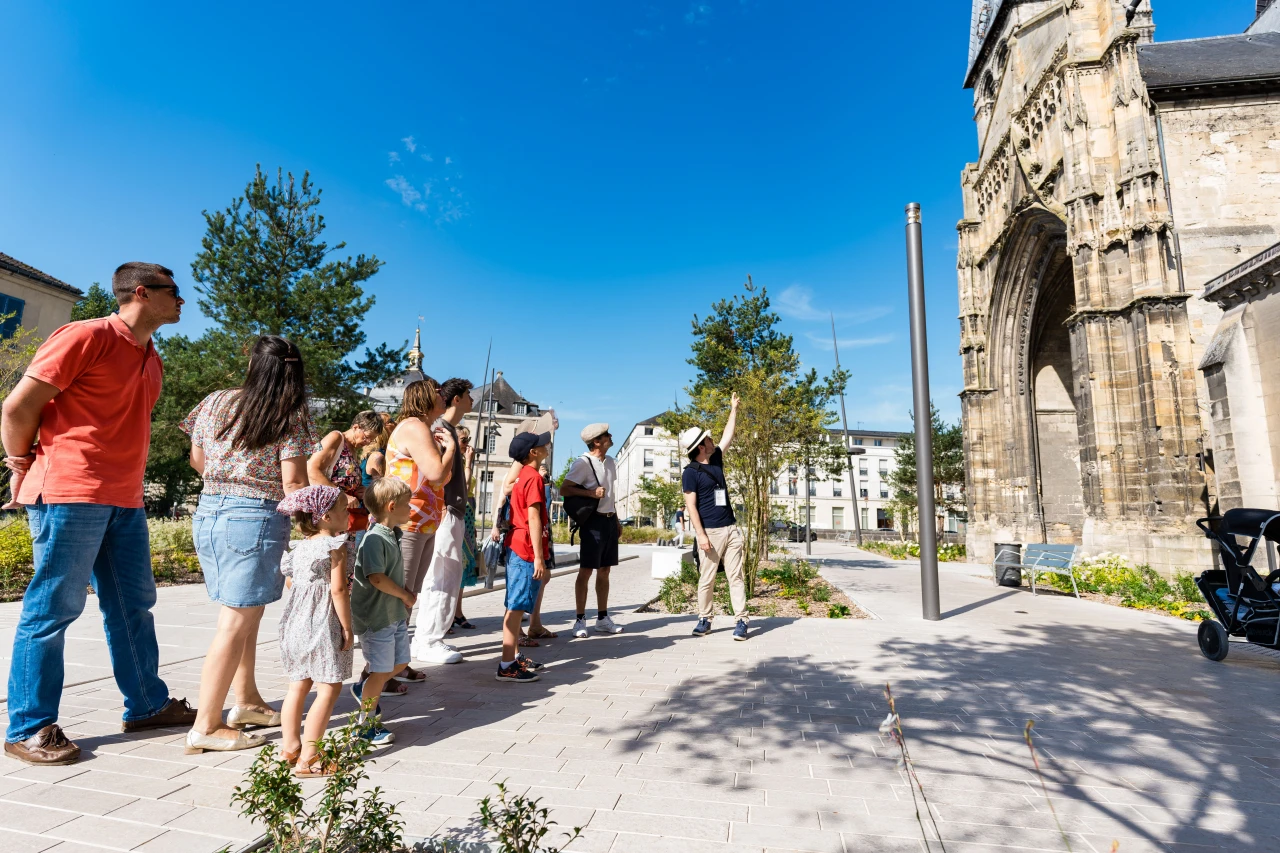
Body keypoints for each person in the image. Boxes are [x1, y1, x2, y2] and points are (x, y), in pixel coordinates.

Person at [1, 262, 197, 765]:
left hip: (124, 499)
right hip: (69, 492)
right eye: (173, 291)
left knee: (134, 605)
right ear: (141, 292)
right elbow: (17, 407)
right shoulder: (86, 336)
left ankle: (147, 705)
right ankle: (28, 727)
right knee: (52, 609)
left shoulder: (152, 358)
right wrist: (20, 464)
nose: (181, 301)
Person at [181, 335, 317, 753]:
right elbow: (294, 481)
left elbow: (198, 461)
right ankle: (206, 725)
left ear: (254, 364)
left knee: (245, 613)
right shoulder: (289, 412)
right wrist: (314, 523)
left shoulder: (215, 401)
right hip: (254, 516)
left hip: (209, 511)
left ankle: (247, 701)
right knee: (236, 621)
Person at [269, 486, 353, 774]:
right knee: (329, 686)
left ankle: (290, 748)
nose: (349, 513)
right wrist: (347, 626)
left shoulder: (299, 548)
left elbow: (292, 583)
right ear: (326, 516)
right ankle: (310, 757)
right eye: (344, 509)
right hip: (322, 622)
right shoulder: (335, 545)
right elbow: (338, 590)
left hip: (295, 623)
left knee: (298, 685)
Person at [385, 378, 454, 669]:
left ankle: (397, 665)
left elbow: (442, 477)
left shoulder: (421, 428)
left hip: (421, 523)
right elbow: (438, 474)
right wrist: (451, 449)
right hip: (409, 522)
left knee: (408, 595)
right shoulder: (414, 426)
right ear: (425, 396)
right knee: (400, 596)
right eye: (438, 392)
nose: (443, 395)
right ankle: (382, 670)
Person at [409, 378, 473, 663]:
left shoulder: (446, 429)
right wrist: (445, 505)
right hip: (445, 512)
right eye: (468, 394)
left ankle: (430, 638)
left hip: (450, 510)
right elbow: (433, 473)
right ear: (456, 399)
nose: (472, 399)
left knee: (447, 575)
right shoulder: (440, 429)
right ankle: (428, 641)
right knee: (442, 576)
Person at [350, 476, 417, 745]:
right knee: (380, 671)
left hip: (393, 614)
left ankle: (365, 687)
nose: (411, 509)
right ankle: (365, 727)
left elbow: (390, 573)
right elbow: (376, 577)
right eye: (407, 504)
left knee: (399, 664)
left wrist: (403, 592)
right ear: (391, 506)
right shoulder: (375, 539)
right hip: (376, 618)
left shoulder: (392, 535)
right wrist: (404, 595)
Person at [680, 392, 749, 641]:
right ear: (701, 446)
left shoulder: (716, 458)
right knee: (707, 578)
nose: (712, 440)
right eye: (708, 438)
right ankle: (705, 619)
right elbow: (691, 506)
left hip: (731, 529)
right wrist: (701, 536)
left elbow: (727, 436)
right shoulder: (690, 473)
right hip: (710, 533)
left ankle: (741, 620)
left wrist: (734, 409)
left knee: (736, 577)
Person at [493, 409, 559, 643]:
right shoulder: (528, 474)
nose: (548, 442)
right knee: (517, 597)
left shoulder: (531, 473)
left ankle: (516, 647)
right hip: (526, 537)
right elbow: (529, 512)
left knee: (522, 592)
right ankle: (510, 653)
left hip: (528, 536)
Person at [560, 424, 624, 638]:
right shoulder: (582, 463)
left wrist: (616, 520)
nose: (611, 435)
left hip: (609, 520)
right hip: (592, 522)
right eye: (607, 434)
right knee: (586, 571)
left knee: (605, 570)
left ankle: (602, 619)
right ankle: (579, 620)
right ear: (597, 441)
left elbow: (611, 495)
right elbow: (565, 488)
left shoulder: (611, 462)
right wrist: (590, 493)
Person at [498, 431, 552, 683]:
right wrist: (539, 557)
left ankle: (514, 656)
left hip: (517, 545)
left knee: (515, 605)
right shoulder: (533, 478)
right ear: (533, 452)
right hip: (525, 547)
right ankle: (506, 665)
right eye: (542, 444)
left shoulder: (523, 476)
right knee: (517, 607)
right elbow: (533, 516)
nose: (546, 445)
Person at [308, 411, 389, 551]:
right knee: (330, 557)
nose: (368, 442)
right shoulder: (336, 438)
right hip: (328, 517)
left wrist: (361, 490)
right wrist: (342, 495)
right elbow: (312, 470)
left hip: (344, 517)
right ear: (356, 427)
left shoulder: (354, 449)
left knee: (345, 559)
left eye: (372, 440)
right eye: (366, 437)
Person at [452, 425, 479, 632]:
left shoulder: (460, 461)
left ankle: (457, 611)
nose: (467, 444)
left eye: (468, 440)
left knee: (463, 565)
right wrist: (469, 463)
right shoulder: (454, 462)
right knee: (454, 565)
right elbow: (464, 487)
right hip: (457, 513)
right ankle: (450, 613)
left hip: (467, 515)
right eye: (463, 440)